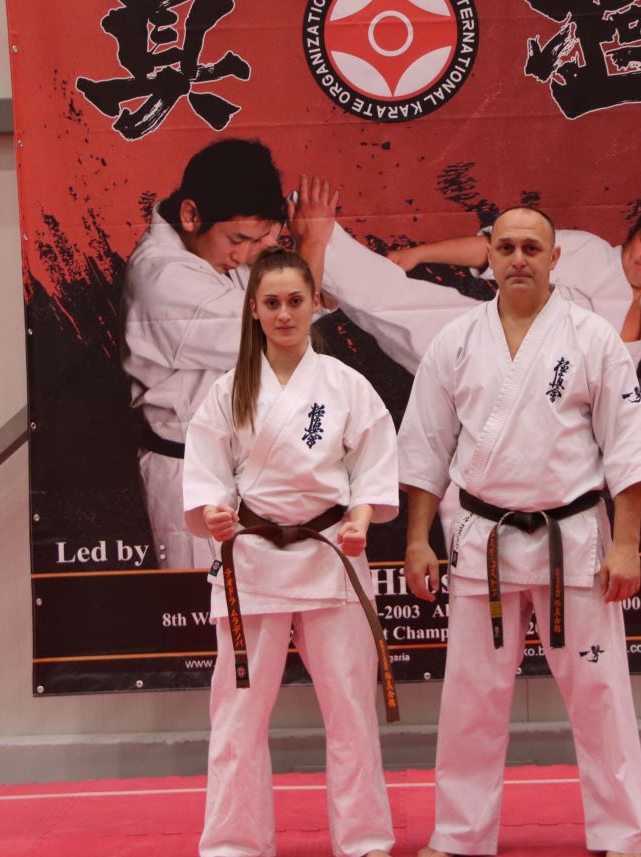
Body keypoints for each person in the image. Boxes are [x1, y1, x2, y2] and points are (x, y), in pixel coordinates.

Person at [397, 207, 641, 857]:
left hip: (572, 539)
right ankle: (461, 829)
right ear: (489, 256)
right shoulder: (456, 340)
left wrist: (626, 545)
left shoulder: (592, 337)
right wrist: (417, 540)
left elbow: (628, 449)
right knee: (471, 693)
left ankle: (623, 828)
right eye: (507, 247)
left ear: (554, 258)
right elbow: (425, 449)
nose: (519, 258)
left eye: (532, 248)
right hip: (481, 540)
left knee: (599, 690)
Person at [125, 137, 474, 569]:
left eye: (260, 239)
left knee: (278, 601)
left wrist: (316, 237)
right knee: (207, 601)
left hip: (263, 468)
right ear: (191, 215)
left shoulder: (221, 247)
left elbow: (329, 291)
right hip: (193, 473)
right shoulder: (162, 277)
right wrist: (312, 245)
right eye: (238, 239)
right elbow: (276, 326)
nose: (246, 254)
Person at [183, 247, 401, 857]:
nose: (284, 313)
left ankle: (365, 834)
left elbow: (373, 464)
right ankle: (232, 838)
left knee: (350, 703)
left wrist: (361, 516)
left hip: (330, 552)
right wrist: (215, 511)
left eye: (295, 301)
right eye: (272, 302)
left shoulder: (345, 385)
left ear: (315, 305)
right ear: (253, 309)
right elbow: (207, 475)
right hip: (253, 556)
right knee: (239, 708)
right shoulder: (227, 391)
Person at [383, 196, 641, 365]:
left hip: (541, 420)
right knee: (380, 295)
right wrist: (418, 254)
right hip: (491, 356)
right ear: (631, 235)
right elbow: (501, 251)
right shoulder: (593, 254)